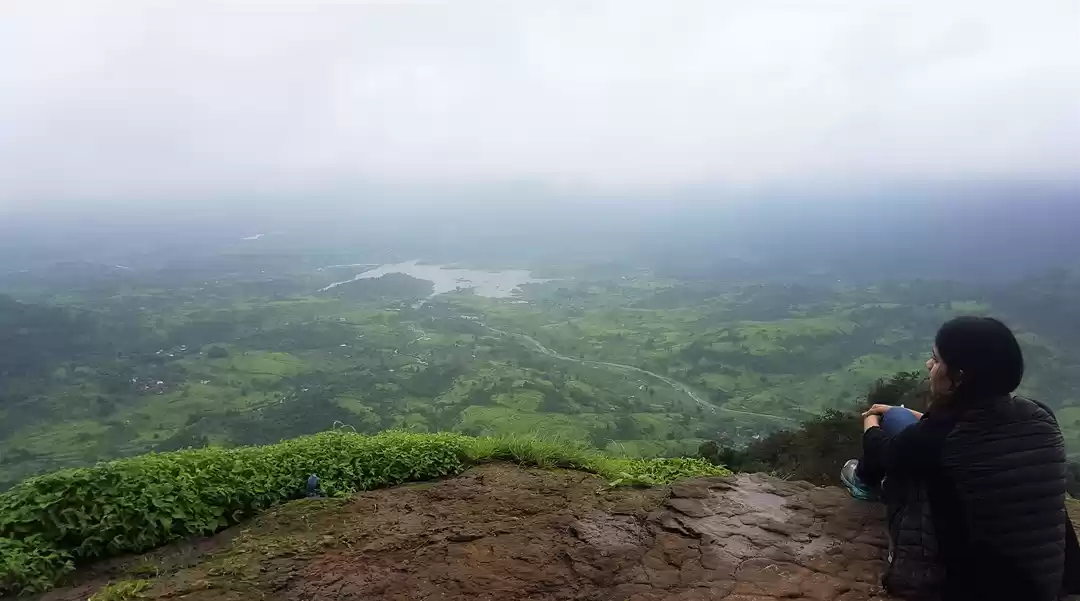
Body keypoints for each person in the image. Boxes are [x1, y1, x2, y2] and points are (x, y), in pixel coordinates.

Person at [841, 316, 1080, 600]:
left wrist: (871, 420)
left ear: (959, 377)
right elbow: (967, 435)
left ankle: (862, 483)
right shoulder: (1039, 415)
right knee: (901, 418)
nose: (929, 365)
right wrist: (912, 416)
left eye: (935, 360)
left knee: (896, 429)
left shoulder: (940, 436)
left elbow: (884, 452)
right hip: (1046, 584)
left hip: (968, 587)